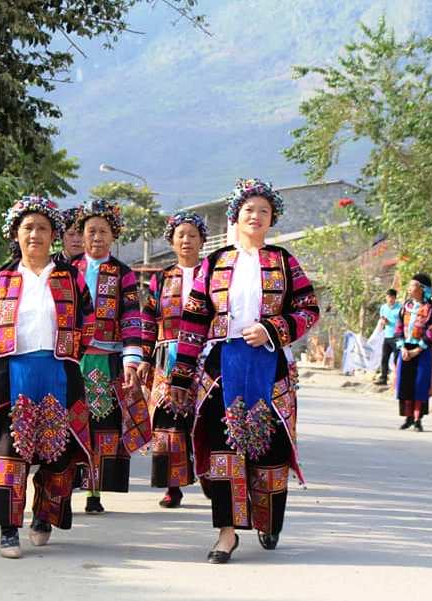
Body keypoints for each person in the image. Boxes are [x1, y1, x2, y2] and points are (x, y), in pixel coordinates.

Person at [169, 178, 319, 563]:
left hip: (270, 365)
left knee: (271, 448)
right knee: (223, 449)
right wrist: (181, 374)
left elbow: (308, 308)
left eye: (263, 211)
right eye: (249, 210)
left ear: (272, 219)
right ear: (236, 216)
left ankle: (268, 520)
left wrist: (272, 329)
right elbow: (193, 318)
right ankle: (227, 533)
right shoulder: (215, 262)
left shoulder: (284, 261)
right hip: (223, 366)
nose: (256, 216)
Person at [0, 195, 95, 558]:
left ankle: (44, 515)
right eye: (28, 227)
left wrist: (71, 355)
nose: (35, 235)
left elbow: (87, 322)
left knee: (58, 453)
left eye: (42, 228)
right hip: (11, 374)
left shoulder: (70, 278)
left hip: (59, 372)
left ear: (54, 235)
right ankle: (8, 529)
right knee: (8, 452)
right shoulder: (0, 278)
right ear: (15, 233)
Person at [70, 199, 150, 513]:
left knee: (102, 425)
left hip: (107, 361)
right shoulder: (67, 270)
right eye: (91, 231)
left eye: (103, 231)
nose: (97, 237)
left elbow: (131, 317)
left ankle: (94, 493)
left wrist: (131, 359)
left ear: (113, 236)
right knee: (71, 421)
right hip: (72, 360)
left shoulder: (123, 274)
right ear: (82, 234)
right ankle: (63, 485)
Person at [138, 211, 208, 508]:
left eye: (193, 235)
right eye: (181, 235)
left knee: (204, 417)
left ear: (202, 241)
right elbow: (147, 320)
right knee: (168, 420)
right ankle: (172, 486)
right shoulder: (161, 279)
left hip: (205, 356)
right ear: (172, 241)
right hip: (167, 358)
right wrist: (144, 357)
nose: (186, 240)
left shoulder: (213, 275)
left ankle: (210, 478)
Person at [395, 273, 432, 432]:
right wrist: (402, 347)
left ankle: (417, 419)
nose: (409, 288)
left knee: (420, 384)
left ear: (422, 289)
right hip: (405, 350)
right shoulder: (405, 307)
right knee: (405, 383)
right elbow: (398, 328)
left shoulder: (430, 309)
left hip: (422, 351)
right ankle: (408, 418)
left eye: (412, 285)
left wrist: (417, 350)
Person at [375, 289, 401, 385]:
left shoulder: (400, 308)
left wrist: (390, 322)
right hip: (387, 336)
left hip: (397, 336)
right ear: (386, 297)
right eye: (388, 297)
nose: (390, 299)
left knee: (396, 359)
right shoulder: (383, 307)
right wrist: (383, 322)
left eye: (392, 297)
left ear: (395, 298)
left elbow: (402, 322)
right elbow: (382, 319)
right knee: (384, 358)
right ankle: (383, 378)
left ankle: (398, 379)